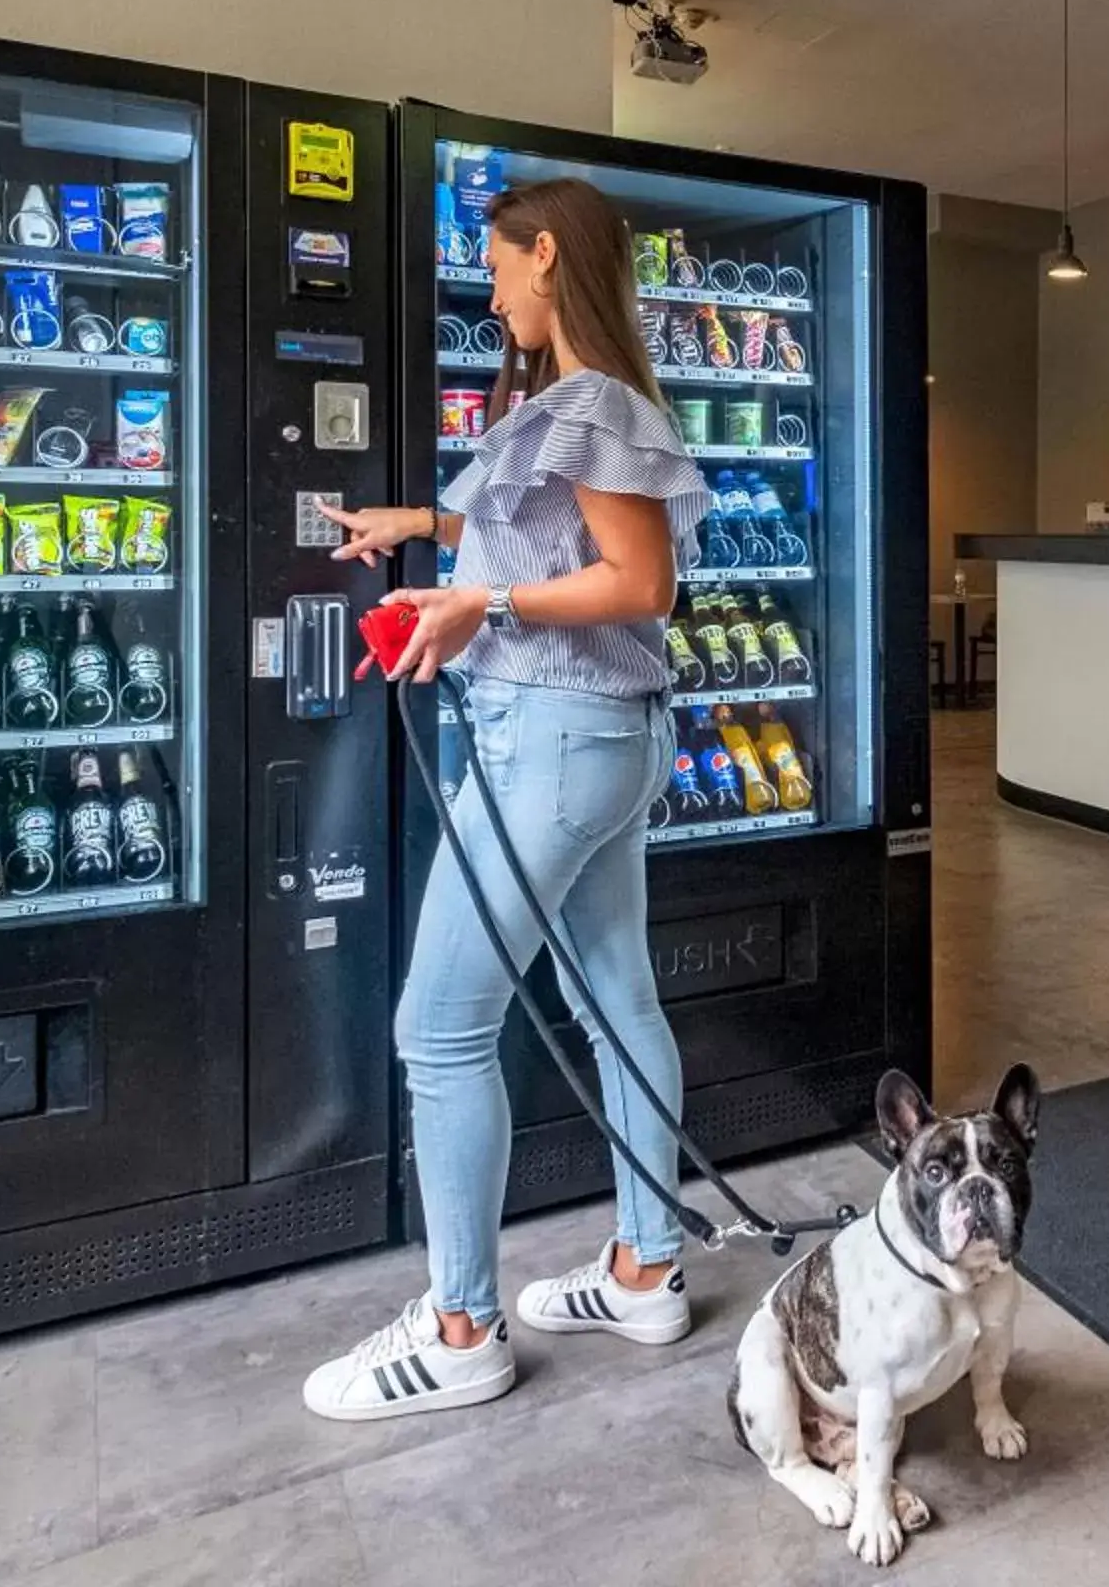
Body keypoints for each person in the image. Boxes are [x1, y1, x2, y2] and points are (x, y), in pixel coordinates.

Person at [304, 178, 709, 1421]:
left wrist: (484, 605)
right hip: (593, 736)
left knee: (437, 1028)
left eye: (496, 266)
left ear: (547, 257)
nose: (488, 290)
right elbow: (532, 526)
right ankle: (647, 1266)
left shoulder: (588, 401)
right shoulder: (571, 403)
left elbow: (644, 581)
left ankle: (461, 1325)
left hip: (551, 738)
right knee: (617, 999)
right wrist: (419, 523)